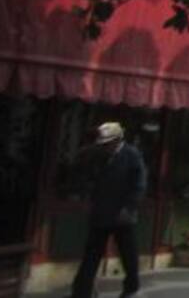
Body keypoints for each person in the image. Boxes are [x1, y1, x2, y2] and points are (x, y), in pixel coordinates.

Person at [71, 122, 146, 298]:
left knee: (128, 254)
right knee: (91, 254)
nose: (106, 147)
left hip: (122, 213)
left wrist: (129, 207)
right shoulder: (98, 155)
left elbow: (139, 184)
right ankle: (81, 291)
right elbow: (87, 175)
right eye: (103, 144)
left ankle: (131, 287)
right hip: (101, 210)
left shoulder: (131, 155)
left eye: (108, 143)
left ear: (118, 140)